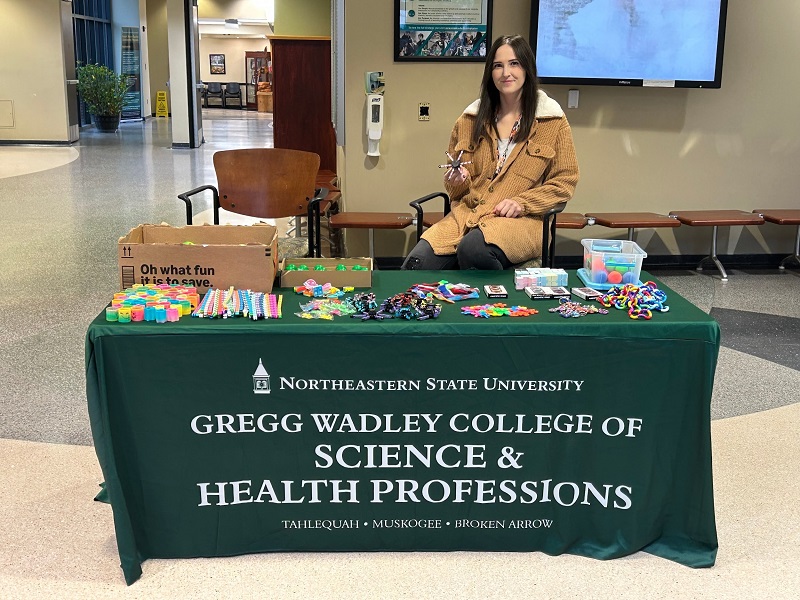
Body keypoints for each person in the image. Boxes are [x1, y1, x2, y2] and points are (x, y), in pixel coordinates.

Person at [402, 34, 579, 270]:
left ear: (527, 68)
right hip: (465, 216)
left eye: (514, 63)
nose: (506, 72)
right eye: (498, 65)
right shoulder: (468, 120)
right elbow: (456, 191)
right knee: (415, 266)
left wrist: (522, 203)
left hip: (521, 222)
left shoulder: (552, 121)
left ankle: (491, 306)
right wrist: (456, 181)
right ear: (490, 72)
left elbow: (565, 182)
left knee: (474, 250)